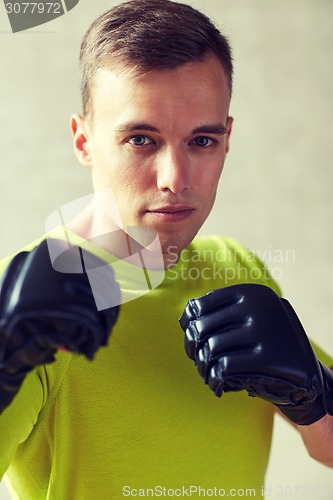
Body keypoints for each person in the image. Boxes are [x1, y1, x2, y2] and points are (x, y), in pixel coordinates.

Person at [0, 0, 332, 498]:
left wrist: (315, 392)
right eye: (140, 139)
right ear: (84, 140)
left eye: (201, 140)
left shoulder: (237, 269)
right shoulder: (30, 300)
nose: (175, 180)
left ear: (227, 140)